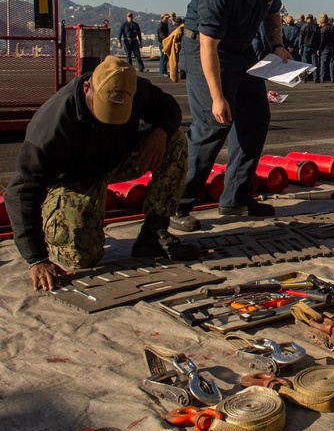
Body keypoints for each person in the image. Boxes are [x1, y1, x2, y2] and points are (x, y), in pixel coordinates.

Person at [5, 56, 198, 291]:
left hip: (115, 159)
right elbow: (21, 191)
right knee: (82, 259)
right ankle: (55, 212)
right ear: (88, 87)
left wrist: (160, 132)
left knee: (174, 140)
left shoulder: (135, 88)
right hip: (75, 179)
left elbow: (168, 107)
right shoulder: (52, 127)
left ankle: (153, 232)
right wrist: (36, 258)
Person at [169, 0, 291, 233]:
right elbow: (208, 46)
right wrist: (217, 97)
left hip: (242, 50)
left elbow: (273, 14)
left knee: (256, 118)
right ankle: (176, 205)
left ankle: (236, 197)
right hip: (207, 50)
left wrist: (276, 46)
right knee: (213, 124)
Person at [297, 14, 321, 83]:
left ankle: (304, 78)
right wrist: (318, 48)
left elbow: (301, 37)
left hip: (306, 46)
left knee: (305, 63)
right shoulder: (316, 27)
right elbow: (319, 39)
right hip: (314, 47)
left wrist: (299, 47)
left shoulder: (304, 26)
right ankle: (316, 78)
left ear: (307, 19)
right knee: (314, 63)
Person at [319, 14, 334, 83]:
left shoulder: (323, 30)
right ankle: (332, 78)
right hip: (333, 48)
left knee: (323, 63)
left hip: (325, 48)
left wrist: (319, 48)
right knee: (332, 63)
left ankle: (322, 78)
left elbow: (321, 41)